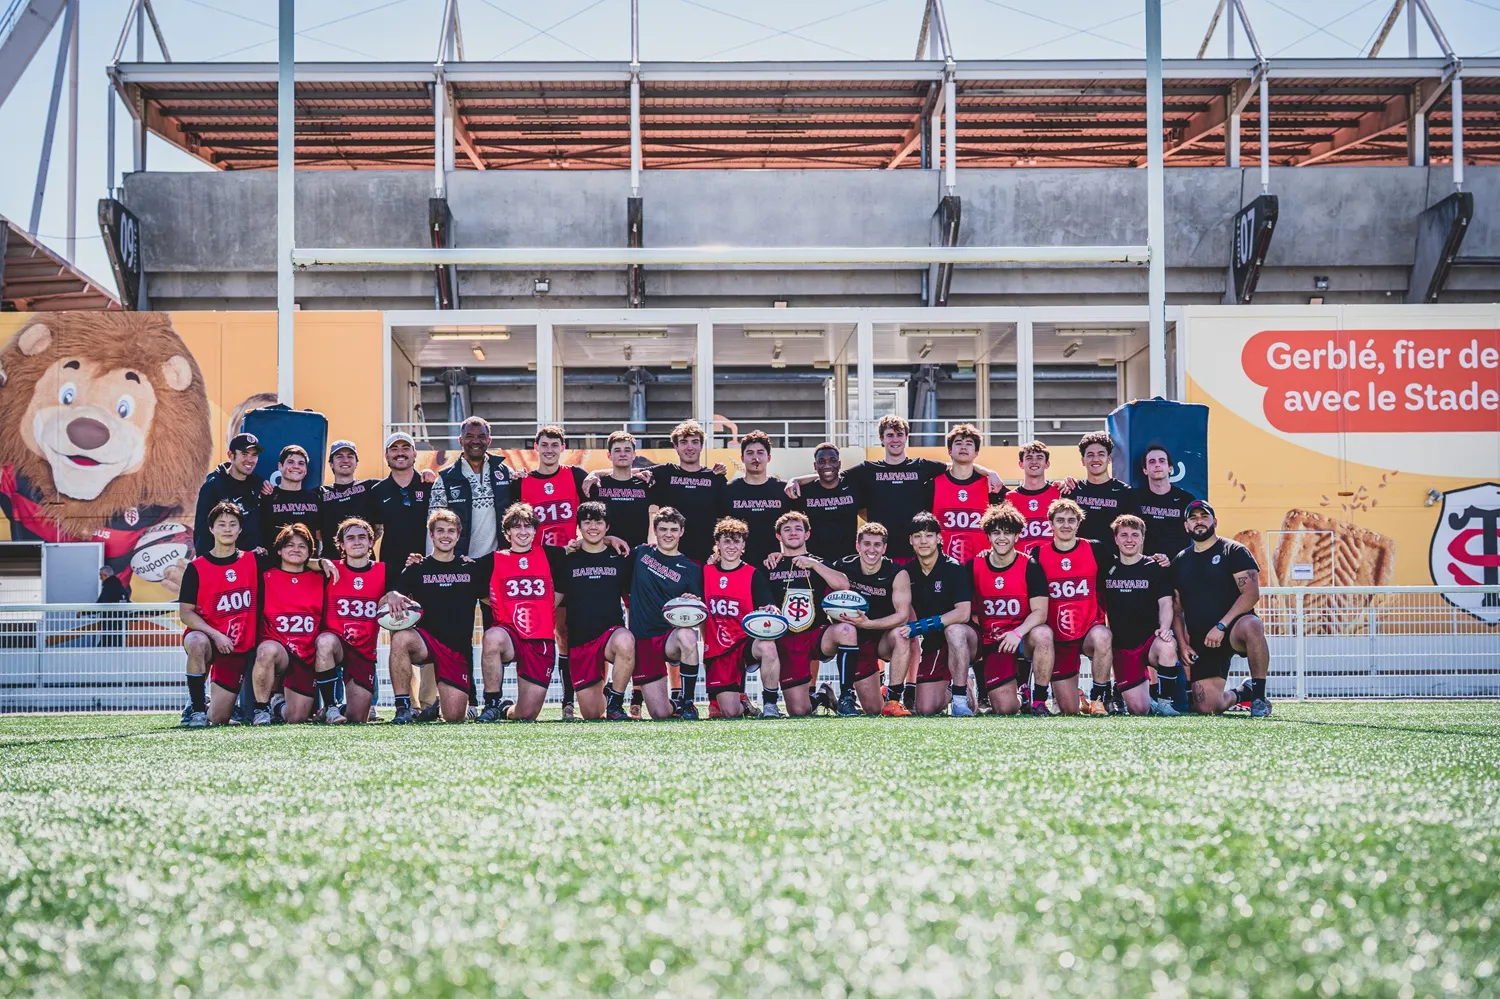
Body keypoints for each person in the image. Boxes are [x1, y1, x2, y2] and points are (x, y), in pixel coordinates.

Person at [791, 415, 999, 566]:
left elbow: (959, 465)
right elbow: (832, 473)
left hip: (917, 549)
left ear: (906, 437)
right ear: (882, 439)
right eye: (890, 435)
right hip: (881, 551)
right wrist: (796, 480)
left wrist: (990, 472)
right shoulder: (868, 470)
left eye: (899, 434)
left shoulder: (921, 466)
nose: (895, 439)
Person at [512, 426, 590, 719]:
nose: (549, 449)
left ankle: (570, 700)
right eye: (543, 444)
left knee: (570, 632)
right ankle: (527, 698)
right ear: (536, 447)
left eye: (554, 444)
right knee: (548, 630)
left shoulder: (577, 476)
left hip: (571, 563)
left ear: (562, 447)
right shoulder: (521, 483)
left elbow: (597, 510)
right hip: (538, 567)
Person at [387, 509, 492, 725]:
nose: (446, 535)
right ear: (431, 535)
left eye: (451, 531)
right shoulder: (417, 568)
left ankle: (437, 707)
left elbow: (491, 601)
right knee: (400, 637)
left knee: (454, 717)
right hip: (426, 642)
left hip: (457, 650)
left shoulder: (470, 569)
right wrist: (392, 595)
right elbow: (389, 599)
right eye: (440, 530)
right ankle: (403, 708)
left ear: (458, 535)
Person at [1172, 500, 1272, 717]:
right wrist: (1182, 645)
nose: (1199, 521)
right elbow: (1176, 610)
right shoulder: (1180, 560)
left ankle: (1259, 699)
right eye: (1193, 518)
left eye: (1204, 516)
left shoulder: (1233, 550)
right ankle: (1245, 692)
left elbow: (1251, 594)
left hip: (1233, 629)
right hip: (1203, 640)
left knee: (1253, 625)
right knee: (1207, 707)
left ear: (1214, 521)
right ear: (1186, 526)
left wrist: (1221, 625)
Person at [605, 507, 704, 720]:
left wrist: (693, 602)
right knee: (660, 713)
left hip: (670, 637)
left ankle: (687, 702)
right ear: (655, 530)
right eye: (663, 529)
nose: (668, 534)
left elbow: (697, 609)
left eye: (674, 529)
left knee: (687, 635)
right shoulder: (640, 553)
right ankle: (673, 706)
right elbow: (607, 547)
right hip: (643, 639)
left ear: (682, 532)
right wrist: (609, 538)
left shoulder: (690, 568)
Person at [478, 503, 568, 723]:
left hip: (541, 639)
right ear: (507, 532)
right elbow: (478, 590)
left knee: (525, 715)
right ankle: (490, 703)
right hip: (510, 633)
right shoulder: (492, 559)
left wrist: (544, 607)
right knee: (492, 637)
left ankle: (505, 709)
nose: (523, 531)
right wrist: (505, 607)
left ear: (535, 530)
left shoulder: (552, 555)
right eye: (516, 527)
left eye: (528, 526)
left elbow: (563, 588)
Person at [761, 511, 856, 717]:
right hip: (787, 639)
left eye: (798, 529)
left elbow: (843, 585)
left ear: (807, 535)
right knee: (798, 711)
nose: (793, 533)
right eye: (787, 530)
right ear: (778, 537)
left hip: (816, 634)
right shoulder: (771, 565)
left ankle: (847, 697)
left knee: (847, 630)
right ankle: (821, 696)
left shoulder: (818, 563)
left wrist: (813, 564)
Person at [963, 503, 1051, 716]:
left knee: (1044, 634)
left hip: (1020, 638)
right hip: (991, 641)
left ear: (1017, 536)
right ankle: (971, 688)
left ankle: (1038, 699)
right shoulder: (973, 566)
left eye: (1008, 532)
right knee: (1005, 709)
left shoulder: (1030, 565)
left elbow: (1040, 612)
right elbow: (964, 609)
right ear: (988, 536)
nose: (1002, 538)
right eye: (996, 532)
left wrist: (1018, 632)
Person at [178, 501, 260, 728]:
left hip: (237, 646)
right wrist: (215, 635)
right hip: (210, 638)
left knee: (219, 719)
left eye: (232, 524)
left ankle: (210, 707)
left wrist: (320, 563)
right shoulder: (197, 567)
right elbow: (186, 613)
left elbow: (292, 563)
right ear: (211, 529)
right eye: (221, 524)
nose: (227, 529)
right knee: (196, 641)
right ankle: (195, 709)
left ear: (240, 529)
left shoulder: (253, 561)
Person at [249, 523, 338, 726]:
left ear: (310, 552)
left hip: (307, 653)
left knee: (296, 717)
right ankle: (261, 709)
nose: (296, 549)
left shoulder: (322, 578)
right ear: (279, 550)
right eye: (289, 545)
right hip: (279, 648)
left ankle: (276, 703)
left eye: (302, 546)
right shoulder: (265, 576)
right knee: (266, 650)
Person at [1030, 499, 1112, 717]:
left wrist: (1153, 559)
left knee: (1103, 636)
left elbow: (1123, 570)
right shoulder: (1038, 555)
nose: (1065, 525)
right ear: (1050, 524)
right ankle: (1076, 696)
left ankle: (1098, 699)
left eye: (1071, 520)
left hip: (1087, 630)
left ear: (1078, 523)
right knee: (1069, 710)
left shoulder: (1095, 549)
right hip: (1057, 637)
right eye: (1060, 520)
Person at [558, 502, 636, 721]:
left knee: (626, 641)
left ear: (607, 527)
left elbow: (635, 597)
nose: (593, 527)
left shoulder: (620, 558)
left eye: (598, 522)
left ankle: (616, 702)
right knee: (592, 714)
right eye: (587, 522)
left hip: (610, 635)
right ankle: (604, 697)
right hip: (580, 642)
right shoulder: (567, 560)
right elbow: (552, 602)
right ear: (579, 527)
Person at [314, 517, 395, 725]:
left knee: (357, 718)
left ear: (371, 541)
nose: (356, 541)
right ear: (341, 544)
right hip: (337, 644)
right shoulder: (330, 569)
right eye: (350, 538)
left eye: (362, 537)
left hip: (363, 651)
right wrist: (319, 561)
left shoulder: (384, 571)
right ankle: (331, 706)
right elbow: (294, 562)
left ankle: (341, 707)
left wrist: (394, 592)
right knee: (324, 642)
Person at [898, 512, 976, 716]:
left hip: (966, 639)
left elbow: (963, 613)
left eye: (929, 535)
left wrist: (922, 626)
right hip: (934, 643)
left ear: (939, 538)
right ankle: (954, 689)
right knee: (925, 708)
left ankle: (960, 698)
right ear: (910, 540)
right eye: (917, 536)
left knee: (954, 630)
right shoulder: (907, 572)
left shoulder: (954, 568)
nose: (923, 541)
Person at [701, 517, 780, 719]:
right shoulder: (705, 572)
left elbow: (767, 605)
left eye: (737, 541)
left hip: (744, 643)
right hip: (718, 648)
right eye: (726, 541)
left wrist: (771, 609)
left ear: (743, 545)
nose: (731, 546)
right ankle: (743, 704)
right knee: (730, 713)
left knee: (768, 646)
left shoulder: (753, 574)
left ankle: (770, 705)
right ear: (717, 544)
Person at [833, 523, 913, 717]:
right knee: (872, 710)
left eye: (877, 545)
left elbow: (902, 615)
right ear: (857, 546)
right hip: (855, 642)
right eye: (866, 544)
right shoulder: (843, 566)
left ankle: (893, 699)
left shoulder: (897, 572)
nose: (872, 549)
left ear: (884, 548)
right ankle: (832, 694)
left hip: (882, 638)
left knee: (903, 635)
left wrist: (869, 624)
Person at [1101, 514, 1177, 716]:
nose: (1129, 540)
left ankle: (1165, 702)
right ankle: (1138, 696)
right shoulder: (1107, 569)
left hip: (1149, 642)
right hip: (1123, 647)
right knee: (1139, 709)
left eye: (1135, 535)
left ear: (1143, 538)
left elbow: (1166, 603)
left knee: (1167, 646)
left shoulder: (1155, 568)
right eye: (1124, 535)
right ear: (1116, 539)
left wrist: (1165, 628)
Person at [429, 416, 514, 560]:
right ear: (461, 440)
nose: (475, 441)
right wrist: (432, 564)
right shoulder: (445, 479)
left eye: (481, 436)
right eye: (469, 436)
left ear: (489, 440)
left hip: (499, 562)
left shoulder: (506, 473)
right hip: (460, 563)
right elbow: (432, 527)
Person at [645, 420, 726, 565]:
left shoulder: (715, 478)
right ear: (676, 446)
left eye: (695, 442)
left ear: (701, 446)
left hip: (705, 559)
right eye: (684, 442)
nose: (690, 447)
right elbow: (624, 472)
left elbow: (723, 520)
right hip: (669, 558)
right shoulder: (665, 473)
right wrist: (596, 474)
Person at [720, 430, 796, 569]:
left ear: (769, 457)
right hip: (739, 565)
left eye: (760, 452)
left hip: (777, 564)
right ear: (742, 458)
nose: (756, 457)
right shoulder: (728, 491)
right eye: (750, 453)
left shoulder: (783, 490)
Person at [932, 423, 1007, 563]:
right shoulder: (933, 483)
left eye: (969, 443)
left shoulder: (990, 485)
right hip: (942, 565)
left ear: (977, 452)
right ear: (949, 450)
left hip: (981, 564)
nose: (963, 447)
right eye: (958, 443)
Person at [369, 432, 433, 578]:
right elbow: (376, 530)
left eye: (405, 448)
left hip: (426, 565)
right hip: (392, 568)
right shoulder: (378, 491)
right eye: (394, 449)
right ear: (386, 455)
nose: (400, 453)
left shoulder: (429, 486)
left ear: (414, 454)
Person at [193, 432, 268, 555]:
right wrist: (207, 564)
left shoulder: (258, 485)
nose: (250, 459)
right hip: (225, 564)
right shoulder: (213, 486)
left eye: (254, 455)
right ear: (231, 455)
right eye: (244, 454)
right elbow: (203, 532)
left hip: (253, 563)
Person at [1065, 432, 1136, 549]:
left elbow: (1136, 533)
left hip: (1114, 563)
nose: (1096, 459)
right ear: (1083, 460)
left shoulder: (1126, 493)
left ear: (1109, 459)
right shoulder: (1072, 490)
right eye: (1090, 455)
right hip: (1079, 561)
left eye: (1101, 454)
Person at [798, 443, 863, 564]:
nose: (827, 465)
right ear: (815, 465)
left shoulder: (854, 487)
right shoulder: (805, 491)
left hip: (849, 560)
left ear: (839, 464)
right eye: (821, 461)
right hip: (814, 561)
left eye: (832, 460)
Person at [585, 431, 652, 549]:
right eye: (617, 450)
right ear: (609, 455)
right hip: (605, 555)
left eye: (627, 450)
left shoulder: (645, 484)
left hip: (636, 556)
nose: (622, 454)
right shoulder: (598, 485)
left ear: (634, 455)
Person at [1134, 444, 1196, 559]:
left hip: (1179, 566)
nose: (1157, 464)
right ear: (1145, 470)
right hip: (1146, 565)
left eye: (1162, 461)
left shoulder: (1186, 499)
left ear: (1170, 468)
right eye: (1152, 462)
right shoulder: (1135, 497)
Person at [261, 445, 324, 555]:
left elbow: (320, 536)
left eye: (301, 463)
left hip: (307, 567)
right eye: (290, 462)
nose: (296, 466)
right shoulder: (266, 497)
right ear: (280, 466)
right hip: (274, 567)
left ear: (306, 470)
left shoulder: (314, 498)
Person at [319, 440, 381, 551]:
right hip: (331, 563)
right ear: (331, 464)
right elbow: (317, 533)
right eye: (339, 456)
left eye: (350, 456)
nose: (345, 460)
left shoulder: (371, 487)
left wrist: (423, 473)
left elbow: (401, 480)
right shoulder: (320, 493)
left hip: (363, 562)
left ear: (356, 463)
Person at [1010, 441, 1063, 555]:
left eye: (1039, 457)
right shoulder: (1009, 498)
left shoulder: (1059, 493)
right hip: (1022, 564)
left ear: (1047, 464)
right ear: (1021, 464)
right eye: (1029, 458)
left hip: (1053, 562)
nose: (1034, 461)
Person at [94, 566, 130, 648]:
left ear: (105, 575)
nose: (100, 578)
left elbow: (100, 603)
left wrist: (84, 612)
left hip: (110, 624)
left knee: (104, 647)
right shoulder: (120, 587)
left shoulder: (108, 587)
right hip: (122, 624)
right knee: (119, 646)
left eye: (101, 576)